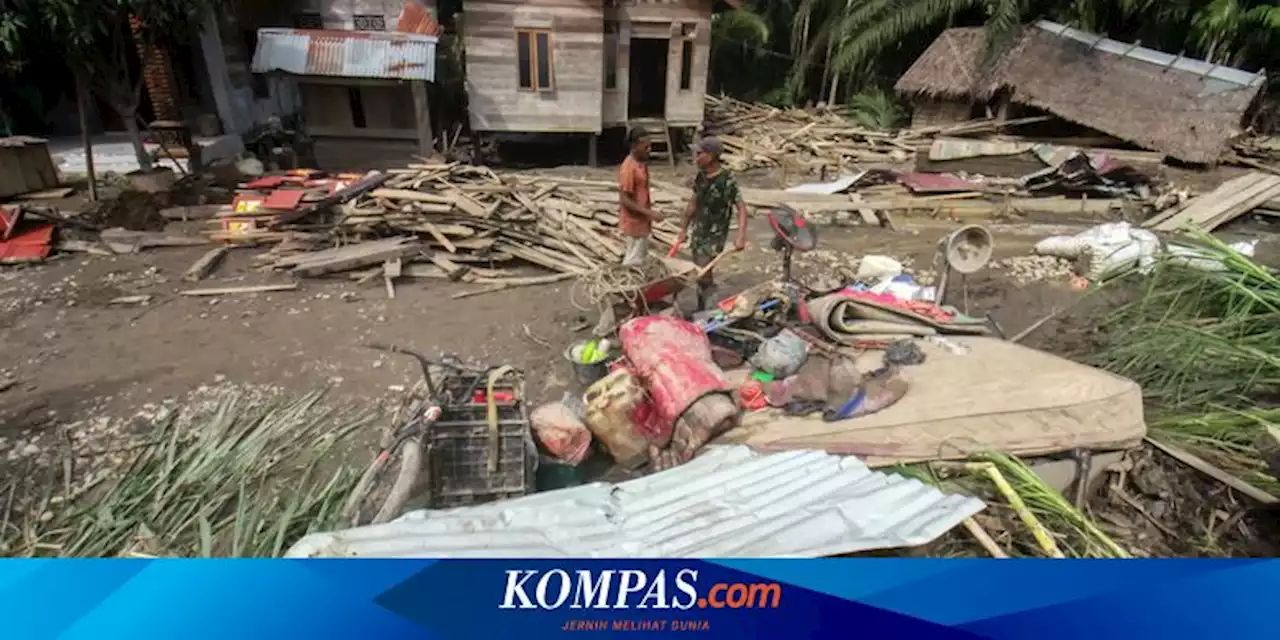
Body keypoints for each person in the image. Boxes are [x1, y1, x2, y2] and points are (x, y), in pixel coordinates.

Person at [676, 136, 748, 309]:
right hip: (699, 232)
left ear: (711, 156)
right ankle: (704, 302)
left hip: (714, 235)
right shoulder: (701, 177)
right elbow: (693, 203)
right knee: (700, 271)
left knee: (703, 272)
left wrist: (740, 236)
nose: (696, 158)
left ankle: (708, 305)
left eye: (699, 154)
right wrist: (684, 229)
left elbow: (742, 209)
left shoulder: (726, 180)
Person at [618, 128, 663, 265]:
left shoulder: (641, 164)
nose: (649, 149)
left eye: (650, 146)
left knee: (639, 260)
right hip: (633, 223)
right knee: (633, 262)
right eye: (645, 147)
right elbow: (625, 199)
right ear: (634, 146)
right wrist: (649, 213)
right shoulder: (629, 168)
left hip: (642, 222)